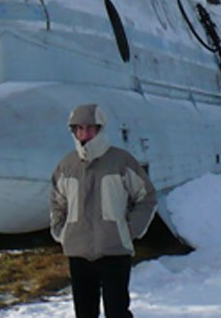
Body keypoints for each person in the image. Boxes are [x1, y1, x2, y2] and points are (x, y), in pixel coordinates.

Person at [50, 103, 157, 318]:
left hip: (114, 251)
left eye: (89, 128)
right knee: (84, 312)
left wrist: (128, 230)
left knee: (117, 311)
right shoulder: (67, 165)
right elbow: (57, 201)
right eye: (78, 128)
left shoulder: (121, 161)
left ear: (100, 129)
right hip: (79, 252)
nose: (84, 134)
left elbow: (147, 197)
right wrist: (62, 232)